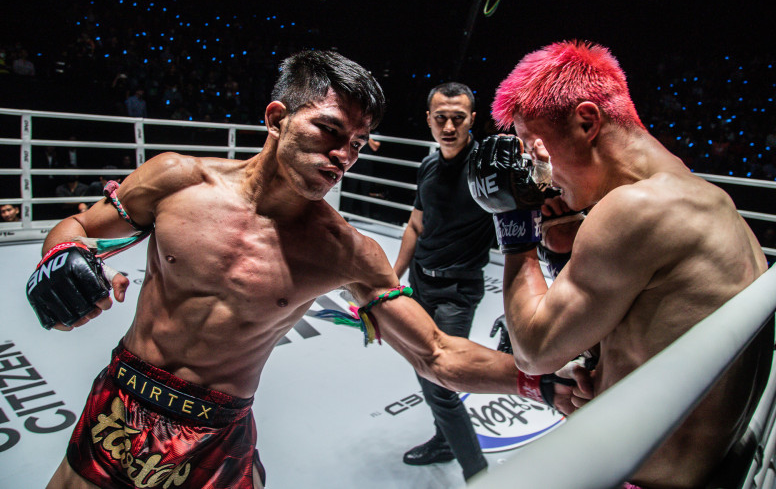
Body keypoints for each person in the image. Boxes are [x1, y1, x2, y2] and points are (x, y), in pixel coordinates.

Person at [26, 50, 590, 489]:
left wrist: (541, 382)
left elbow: (436, 354)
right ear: (277, 117)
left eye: (358, 144)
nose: (344, 156)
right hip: (124, 397)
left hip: (217, 431)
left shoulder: (345, 251)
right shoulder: (176, 180)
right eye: (330, 131)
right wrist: (62, 261)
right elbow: (77, 227)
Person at [469, 40, 773, 489]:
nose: (539, 175)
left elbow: (533, 352)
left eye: (535, 152)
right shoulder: (705, 198)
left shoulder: (637, 208)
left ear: (586, 122)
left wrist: (514, 221)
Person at [393, 82, 495, 480]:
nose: (449, 127)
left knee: (442, 382)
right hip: (421, 283)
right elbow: (415, 225)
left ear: (472, 119)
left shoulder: (487, 168)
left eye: (457, 118)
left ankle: (478, 475)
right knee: (425, 369)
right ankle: (443, 440)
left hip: (457, 292)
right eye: (441, 118)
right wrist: (393, 279)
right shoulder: (429, 166)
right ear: (429, 120)